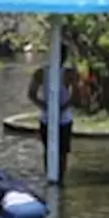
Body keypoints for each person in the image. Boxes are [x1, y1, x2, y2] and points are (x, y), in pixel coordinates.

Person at [27, 51, 79, 181]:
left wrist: (62, 108)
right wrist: (46, 107)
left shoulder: (68, 73)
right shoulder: (41, 73)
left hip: (63, 118)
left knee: (61, 152)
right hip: (48, 118)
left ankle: (58, 179)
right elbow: (32, 93)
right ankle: (52, 177)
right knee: (52, 150)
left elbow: (76, 94)